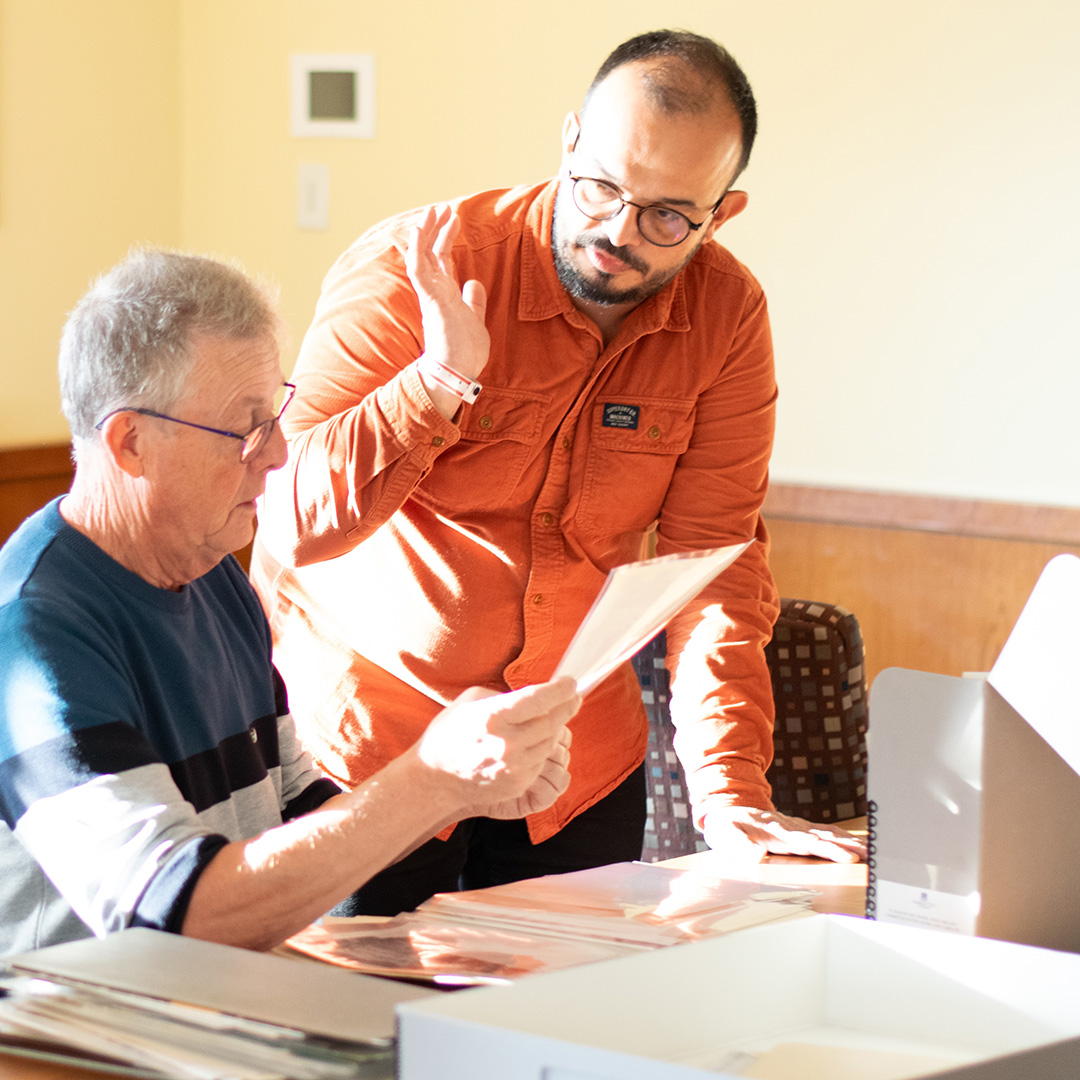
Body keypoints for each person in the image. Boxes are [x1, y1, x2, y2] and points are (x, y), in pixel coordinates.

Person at [251, 29, 866, 916]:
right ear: (570, 140)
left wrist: (729, 792)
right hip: (372, 753)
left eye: (666, 216)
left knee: (555, 1039)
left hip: (570, 766)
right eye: (603, 186)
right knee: (357, 1042)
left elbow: (715, 564)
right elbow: (290, 519)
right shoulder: (416, 265)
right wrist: (436, 384)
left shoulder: (728, 316)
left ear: (720, 214)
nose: (619, 232)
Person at [0, 249, 580, 957]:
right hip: (63, 1040)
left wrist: (465, 793)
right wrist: (431, 779)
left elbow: (295, 807)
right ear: (131, 443)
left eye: (276, 416)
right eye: (245, 429)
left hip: (202, 1012)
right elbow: (179, 914)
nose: (277, 454)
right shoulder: (33, 631)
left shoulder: (211, 572)